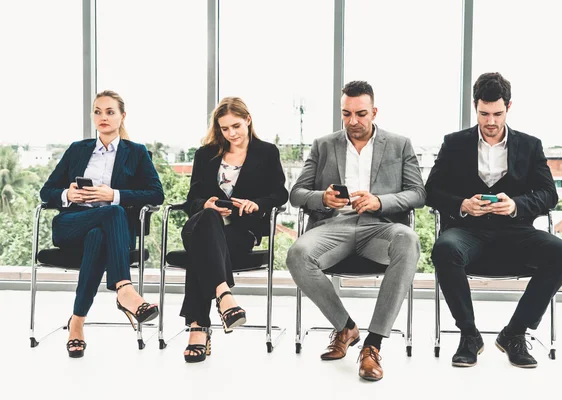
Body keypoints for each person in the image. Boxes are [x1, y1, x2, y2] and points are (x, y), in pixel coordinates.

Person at [425, 72, 562, 368]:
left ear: (509, 107)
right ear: (475, 107)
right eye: (484, 113)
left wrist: (516, 205)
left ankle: (514, 333)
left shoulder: (530, 146)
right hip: (467, 231)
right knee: (444, 248)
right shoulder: (454, 144)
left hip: (515, 232)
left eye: (497, 113)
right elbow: (430, 191)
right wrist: (463, 204)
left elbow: (549, 194)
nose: (490, 121)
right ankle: (469, 335)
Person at [287, 81, 425, 381]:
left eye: (361, 114)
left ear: (374, 112)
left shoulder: (400, 145)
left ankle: (372, 346)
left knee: (409, 240)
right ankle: (346, 327)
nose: (353, 121)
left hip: (380, 227)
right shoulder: (323, 145)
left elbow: (418, 194)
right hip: (334, 225)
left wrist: (380, 201)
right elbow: (297, 193)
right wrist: (322, 197)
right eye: (346, 114)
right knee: (297, 254)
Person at [40, 90, 164, 358]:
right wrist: (67, 194)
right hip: (72, 224)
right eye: (98, 111)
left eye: (110, 112)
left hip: (110, 234)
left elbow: (156, 194)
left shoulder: (137, 153)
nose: (103, 117)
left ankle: (77, 323)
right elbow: (46, 191)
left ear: (122, 116)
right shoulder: (78, 149)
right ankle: (125, 291)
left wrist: (114, 195)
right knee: (113, 213)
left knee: (102, 228)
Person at [181, 96, 288, 363]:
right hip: (201, 226)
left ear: (248, 120)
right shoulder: (205, 154)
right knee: (207, 218)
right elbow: (190, 200)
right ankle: (224, 296)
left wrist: (257, 204)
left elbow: (280, 194)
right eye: (225, 129)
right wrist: (205, 204)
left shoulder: (266, 152)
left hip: (240, 232)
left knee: (201, 253)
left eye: (236, 126)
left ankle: (198, 328)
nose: (232, 134)